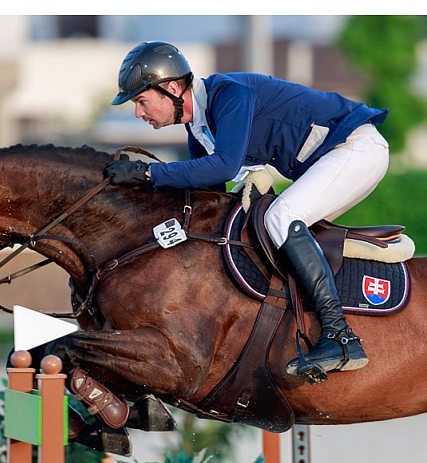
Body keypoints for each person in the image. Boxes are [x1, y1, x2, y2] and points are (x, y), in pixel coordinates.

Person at [104, 40, 390, 382]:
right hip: (336, 158)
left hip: (357, 149)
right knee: (252, 223)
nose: (139, 113)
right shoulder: (198, 127)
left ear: (172, 88)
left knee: (280, 218)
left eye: (141, 101)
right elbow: (206, 196)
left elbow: (224, 167)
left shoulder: (230, 94)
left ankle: (339, 336)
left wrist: (148, 173)